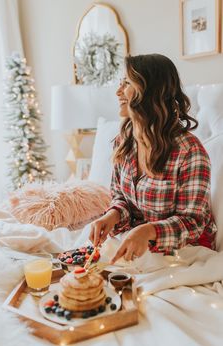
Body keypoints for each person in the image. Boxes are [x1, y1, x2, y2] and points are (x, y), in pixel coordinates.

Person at [89, 54, 217, 264]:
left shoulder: (189, 152)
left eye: (127, 83)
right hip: (139, 243)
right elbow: (120, 197)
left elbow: (193, 223)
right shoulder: (124, 142)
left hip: (185, 252)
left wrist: (148, 231)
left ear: (150, 92)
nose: (118, 91)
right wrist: (111, 215)